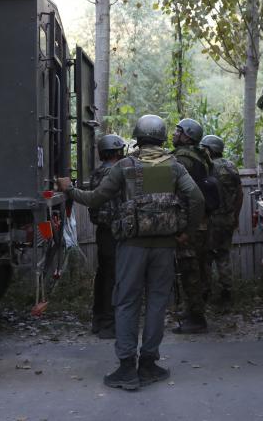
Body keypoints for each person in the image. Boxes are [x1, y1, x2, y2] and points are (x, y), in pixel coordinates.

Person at [56, 115, 204, 391]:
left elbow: (96, 198)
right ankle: (148, 364)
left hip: (131, 246)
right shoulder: (175, 166)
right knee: (158, 302)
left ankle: (126, 368)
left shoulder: (124, 166)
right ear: (161, 138)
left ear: (138, 137)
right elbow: (196, 199)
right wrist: (187, 231)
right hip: (165, 247)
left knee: (126, 302)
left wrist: (70, 190)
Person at [170, 117, 213, 334]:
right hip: (202, 222)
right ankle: (194, 312)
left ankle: (196, 318)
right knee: (199, 269)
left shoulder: (182, 159)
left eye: (178, 131)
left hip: (190, 223)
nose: (174, 134)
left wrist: (186, 229)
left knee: (190, 271)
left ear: (187, 135)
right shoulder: (201, 156)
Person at [87, 134, 126, 340]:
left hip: (103, 231)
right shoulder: (117, 172)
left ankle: (99, 319)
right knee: (114, 277)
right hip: (116, 231)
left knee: (103, 276)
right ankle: (109, 325)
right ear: (118, 151)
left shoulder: (97, 173)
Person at [200, 135, 242, 308]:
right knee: (223, 256)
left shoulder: (207, 168)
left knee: (206, 257)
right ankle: (227, 293)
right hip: (228, 219)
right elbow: (240, 194)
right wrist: (235, 216)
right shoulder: (232, 167)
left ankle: (205, 293)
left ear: (209, 149)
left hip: (211, 220)